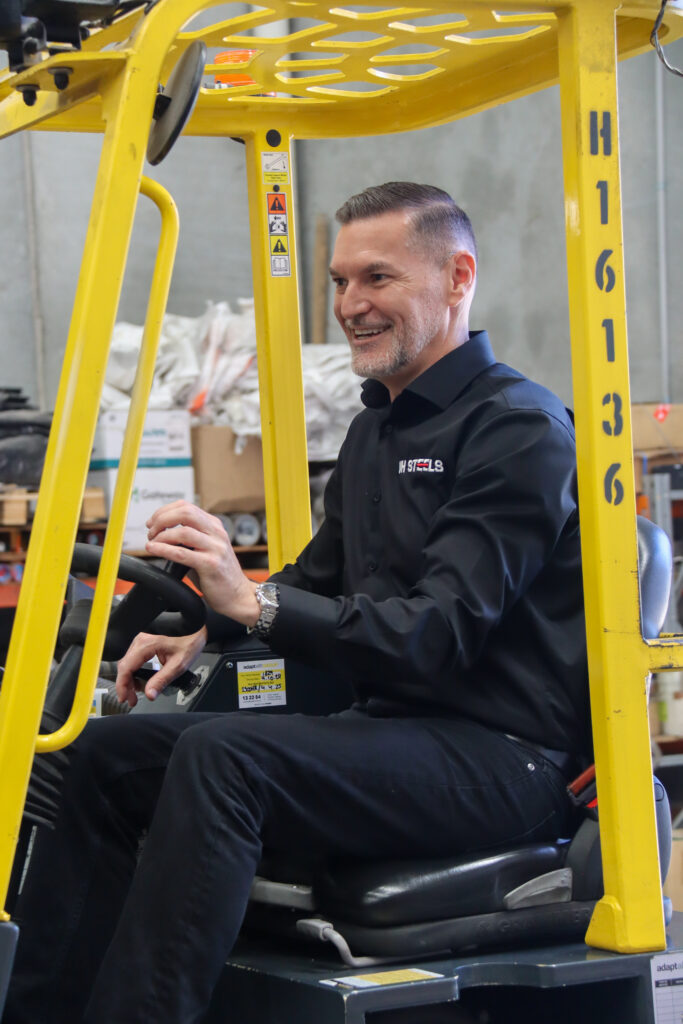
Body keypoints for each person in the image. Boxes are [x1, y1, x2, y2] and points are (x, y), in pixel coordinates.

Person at [4, 182, 590, 1024]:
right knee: (100, 755)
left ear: (457, 278)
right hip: (389, 736)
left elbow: (437, 634)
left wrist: (256, 606)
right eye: (341, 282)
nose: (351, 304)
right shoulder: (375, 430)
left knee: (226, 757)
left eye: (377, 279)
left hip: (501, 757)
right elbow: (315, 582)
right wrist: (202, 617)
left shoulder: (516, 429)